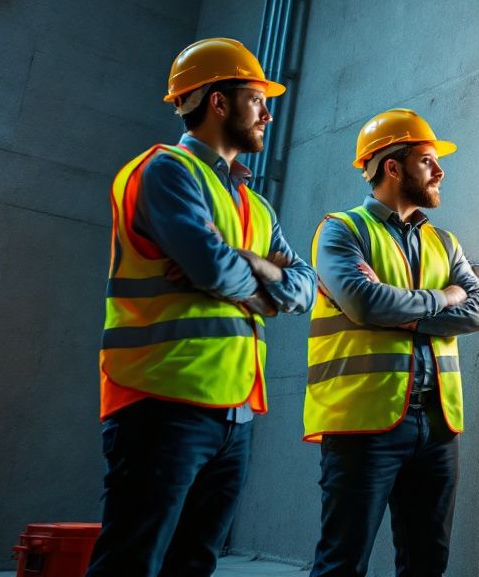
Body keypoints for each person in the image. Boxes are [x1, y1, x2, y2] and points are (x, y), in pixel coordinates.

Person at [305, 108, 479, 577]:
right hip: (363, 425)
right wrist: (442, 298)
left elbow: (478, 309)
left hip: (436, 428)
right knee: (341, 563)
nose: (440, 170)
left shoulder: (443, 243)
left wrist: (408, 314)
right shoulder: (342, 230)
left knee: (426, 563)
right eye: (428, 160)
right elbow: (366, 304)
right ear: (393, 167)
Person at [87, 38, 317, 577]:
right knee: (132, 562)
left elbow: (305, 289)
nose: (268, 112)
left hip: (234, 415)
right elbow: (211, 268)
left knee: (193, 564)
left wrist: (257, 267)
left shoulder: (254, 204)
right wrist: (263, 284)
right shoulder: (165, 172)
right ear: (218, 102)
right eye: (257, 99)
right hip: (160, 402)